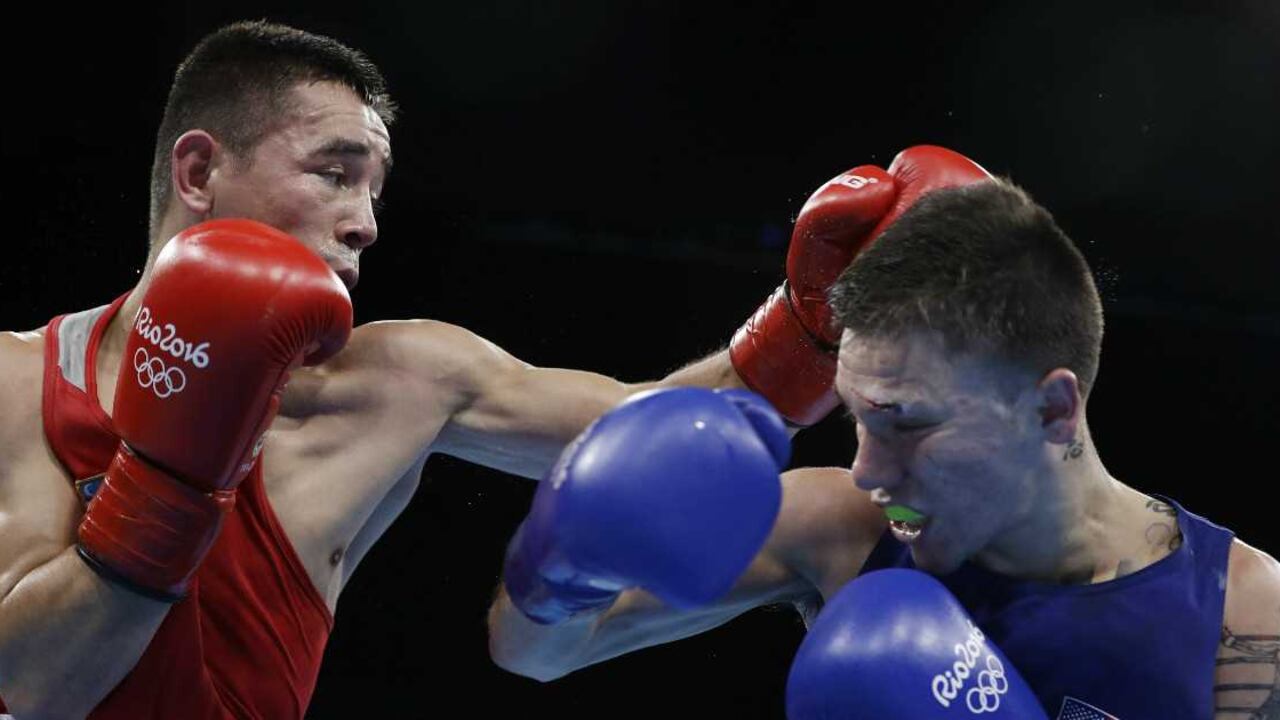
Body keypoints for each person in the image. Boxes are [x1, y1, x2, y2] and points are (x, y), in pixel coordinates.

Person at [0, 20, 879, 720]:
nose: (366, 223)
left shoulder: (397, 379)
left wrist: (809, 323)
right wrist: (177, 474)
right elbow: (36, 687)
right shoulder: (15, 382)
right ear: (198, 170)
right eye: (335, 174)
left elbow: (673, 434)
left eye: (375, 191)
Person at [487, 159, 1280, 718]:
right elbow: (537, 654)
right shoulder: (846, 530)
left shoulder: (1246, 615)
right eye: (857, 419)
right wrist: (562, 562)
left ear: (1051, 410)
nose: (868, 469)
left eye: (908, 423)